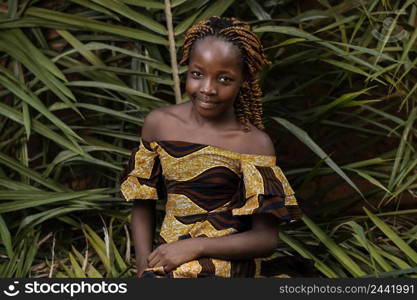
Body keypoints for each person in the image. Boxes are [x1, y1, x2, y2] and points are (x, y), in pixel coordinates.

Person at [120, 16, 302, 278]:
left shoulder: (252, 142)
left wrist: (195, 246)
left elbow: (265, 239)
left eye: (224, 79)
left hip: (228, 263)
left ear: (244, 80)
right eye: (197, 74)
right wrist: (143, 270)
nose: (208, 88)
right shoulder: (159, 124)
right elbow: (142, 204)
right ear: (187, 69)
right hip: (168, 260)